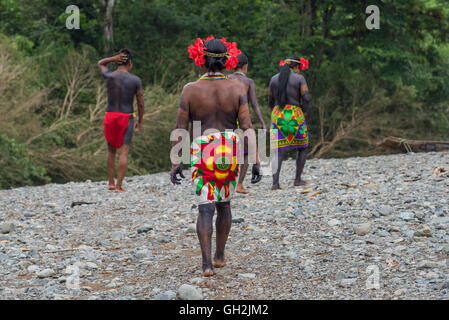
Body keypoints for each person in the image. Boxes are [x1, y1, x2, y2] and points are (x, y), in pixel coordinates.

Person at [170, 36, 262, 277]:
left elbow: (180, 129)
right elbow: (247, 126)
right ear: (227, 62)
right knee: (224, 204)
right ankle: (220, 255)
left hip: (203, 149)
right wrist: (256, 160)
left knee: (205, 208)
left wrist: (175, 161)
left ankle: (206, 264)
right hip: (228, 150)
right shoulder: (237, 88)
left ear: (202, 60)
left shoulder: (190, 90)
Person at [97, 49, 144, 192]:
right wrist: (140, 121)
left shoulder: (109, 76)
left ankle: (111, 183)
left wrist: (112, 58)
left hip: (110, 115)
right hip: (126, 116)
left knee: (111, 151)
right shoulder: (135, 80)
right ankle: (119, 186)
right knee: (123, 152)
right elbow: (140, 103)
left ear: (118, 61)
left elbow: (100, 63)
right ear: (130, 63)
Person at [268, 56, 310, 190]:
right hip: (295, 115)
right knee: (302, 147)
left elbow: (270, 100)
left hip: (277, 115)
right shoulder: (299, 79)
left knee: (277, 151)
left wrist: (275, 112)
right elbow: (306, 97)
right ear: (296, 67)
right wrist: (303, 111)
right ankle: (297, 179)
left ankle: (275, 183)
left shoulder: (273, 79)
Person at [228, 53, 266, 194]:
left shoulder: (226, 78)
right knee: (245, 152)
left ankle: (227, 183)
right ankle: (239, 184)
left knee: (228, 151)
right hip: (241, 119)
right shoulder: (248, 82)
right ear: (245, 66)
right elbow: (254, 104)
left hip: (228, 119)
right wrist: (262, 122)